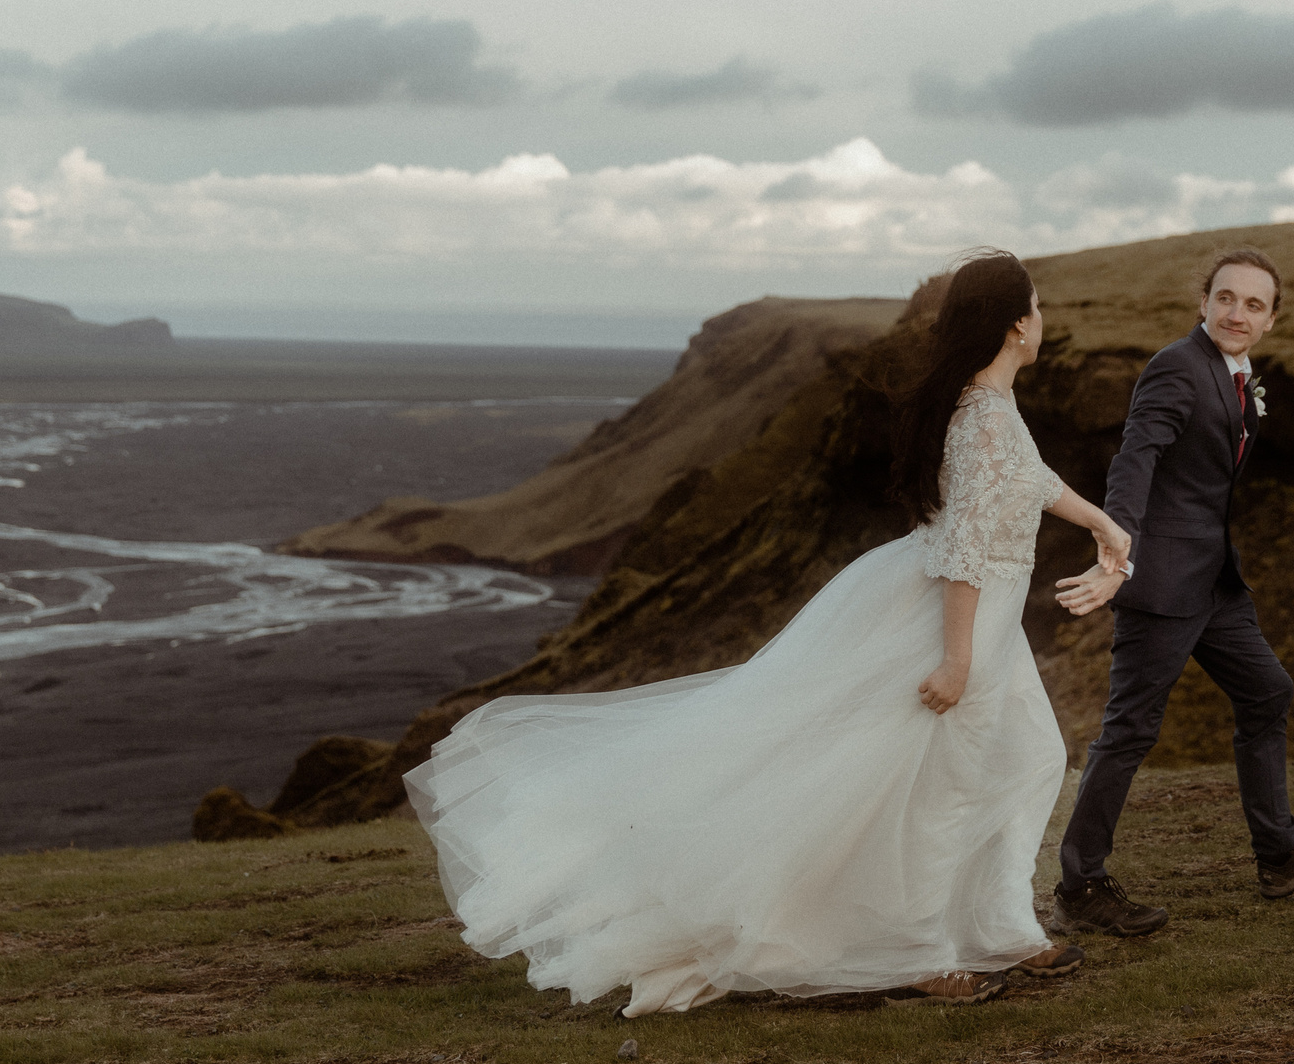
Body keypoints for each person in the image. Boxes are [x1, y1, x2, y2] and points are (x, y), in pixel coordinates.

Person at [405, 249, 1130, 1014]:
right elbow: (965, 549)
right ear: (1018, 322)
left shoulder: (992, 407)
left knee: (1028, 756)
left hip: (990, 624)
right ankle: (922, 954)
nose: (1045, 318)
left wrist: (1101, 522)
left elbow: (1032, 480)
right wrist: (955, 657)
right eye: (1039, 306)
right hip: (962, 625)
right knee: (943, 794)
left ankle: (1002, 926)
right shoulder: (981, 419)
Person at [1048, 247, 1294, 936]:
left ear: (1271, 321)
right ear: (1203, 303)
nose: (1237, 313)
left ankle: (1281, 853)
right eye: (1226, 298)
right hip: (1161, 581)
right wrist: (1116, 547)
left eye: (1254, 304)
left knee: (1268, 692)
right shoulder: (1176, 366)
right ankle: (1080, 884)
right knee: (1129, 729)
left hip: (1216, 581)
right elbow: (1136, 456)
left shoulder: (1240, 375)